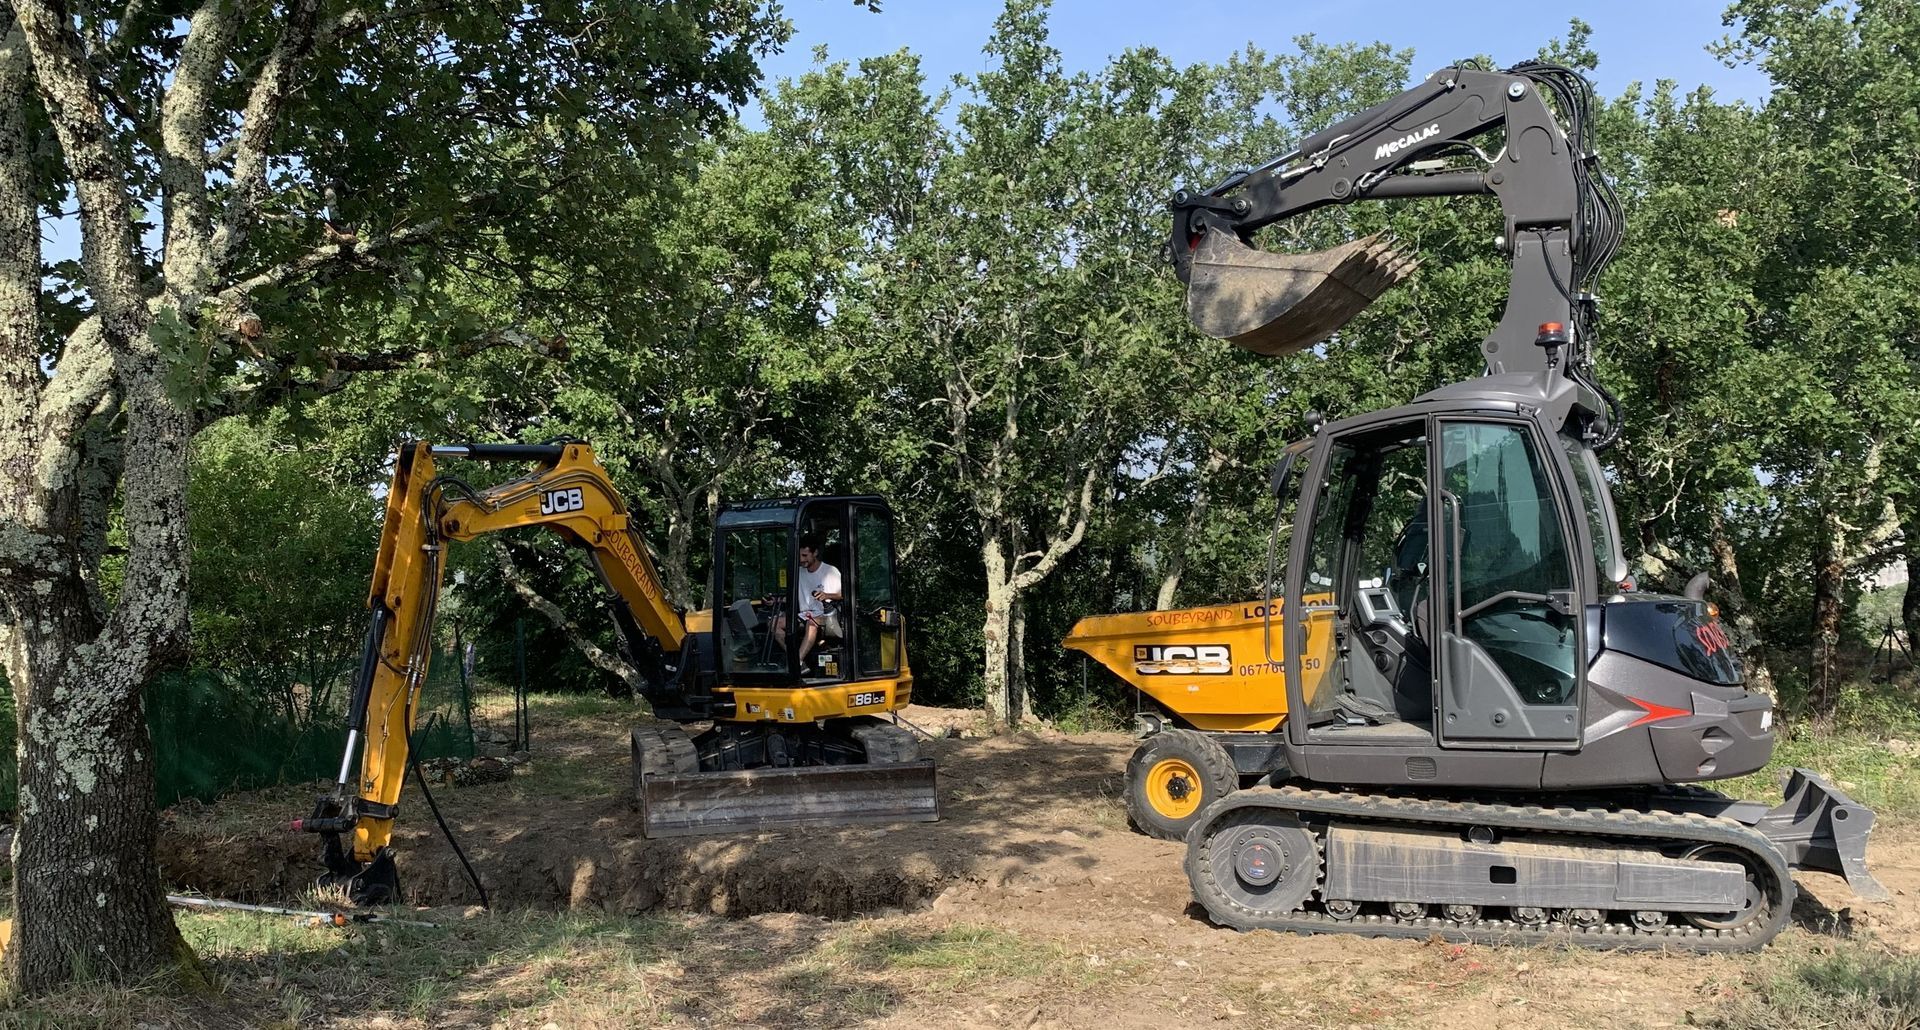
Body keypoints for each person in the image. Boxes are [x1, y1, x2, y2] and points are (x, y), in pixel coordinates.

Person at [771, 539, 843, 666]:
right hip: (804, 615)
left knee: (812, 622)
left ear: (815, 553)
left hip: (826, 616)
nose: (801, 559)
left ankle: (795, 665)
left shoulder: (830, 571)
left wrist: (827, 595)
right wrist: (774, 601)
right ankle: (796, 659)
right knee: (774, 623)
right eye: (799, 556)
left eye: (805, 555)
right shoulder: (799, 572)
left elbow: (843, 595)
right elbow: (793, 597)